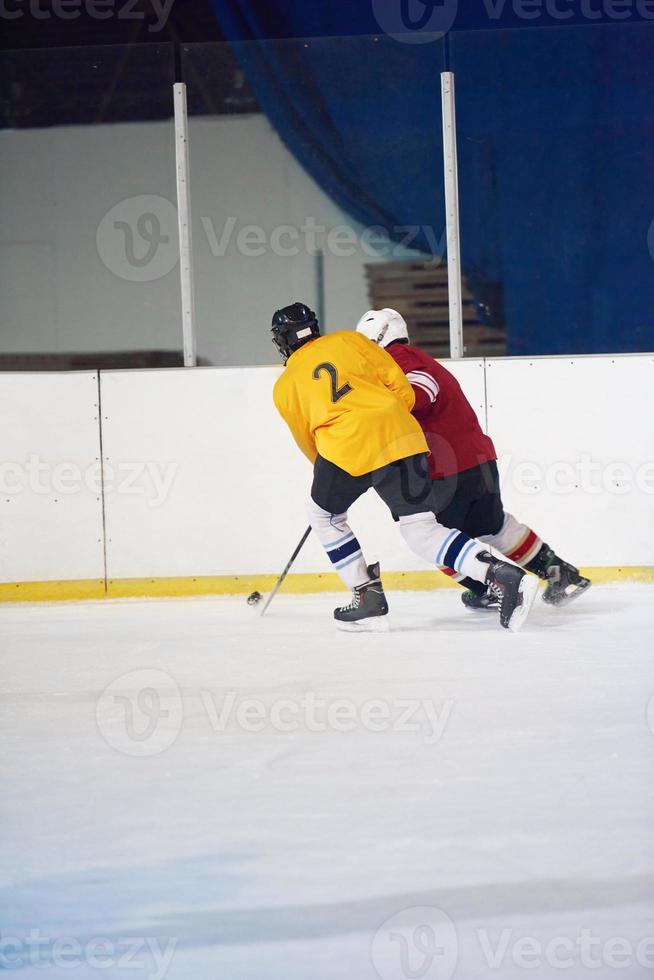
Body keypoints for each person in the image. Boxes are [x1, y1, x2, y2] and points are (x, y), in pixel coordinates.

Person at [271, 301, 538, 631]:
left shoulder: (284, 386)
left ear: (282, 340)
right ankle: (499, 574)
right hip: (402, 437)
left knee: (324, 516)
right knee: (420, 528)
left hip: (346, 449)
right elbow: (392, 375)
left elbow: (306, 438)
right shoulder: (349, 340)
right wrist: (396, 413)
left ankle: (366, 596)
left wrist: (329, 475)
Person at [355, 307, 591, 609]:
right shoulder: (416, 358)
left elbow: (422, 391)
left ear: (377, 339)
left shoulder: (399, 359)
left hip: (446, 469)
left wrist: (374, 411)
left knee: (430, 536)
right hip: (478, 462)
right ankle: (561, 573)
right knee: (494, 527)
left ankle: (491, 585)